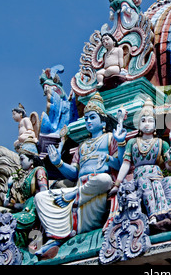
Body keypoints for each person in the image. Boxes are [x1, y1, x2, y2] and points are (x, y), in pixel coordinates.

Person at [33, 92, 127, 258]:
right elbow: (74, 173)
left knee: (104, 179)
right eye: (86, 118)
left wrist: (115, 149)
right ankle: (57, 237)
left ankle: (73, 196)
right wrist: (58, 163)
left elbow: (120, 164)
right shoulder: (82, 146)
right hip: (79, 188)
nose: (88, 121)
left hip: (95, 191)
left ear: (103, 120)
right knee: (40, 197)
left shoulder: (109, 138)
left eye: (92, 117)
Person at [110, 98, 171, 226]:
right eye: (143, 120)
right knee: (145, 183)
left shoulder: (161, 143)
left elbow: (170, 169)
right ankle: (152, 214)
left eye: (150, 120)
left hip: (158, 176)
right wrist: (117, 184)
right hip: (140, 177)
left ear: (155, 125)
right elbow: (126, 164)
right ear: (138, 125)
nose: (146, 124)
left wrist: (170, 160)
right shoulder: (133, 143)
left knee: (170, 180)